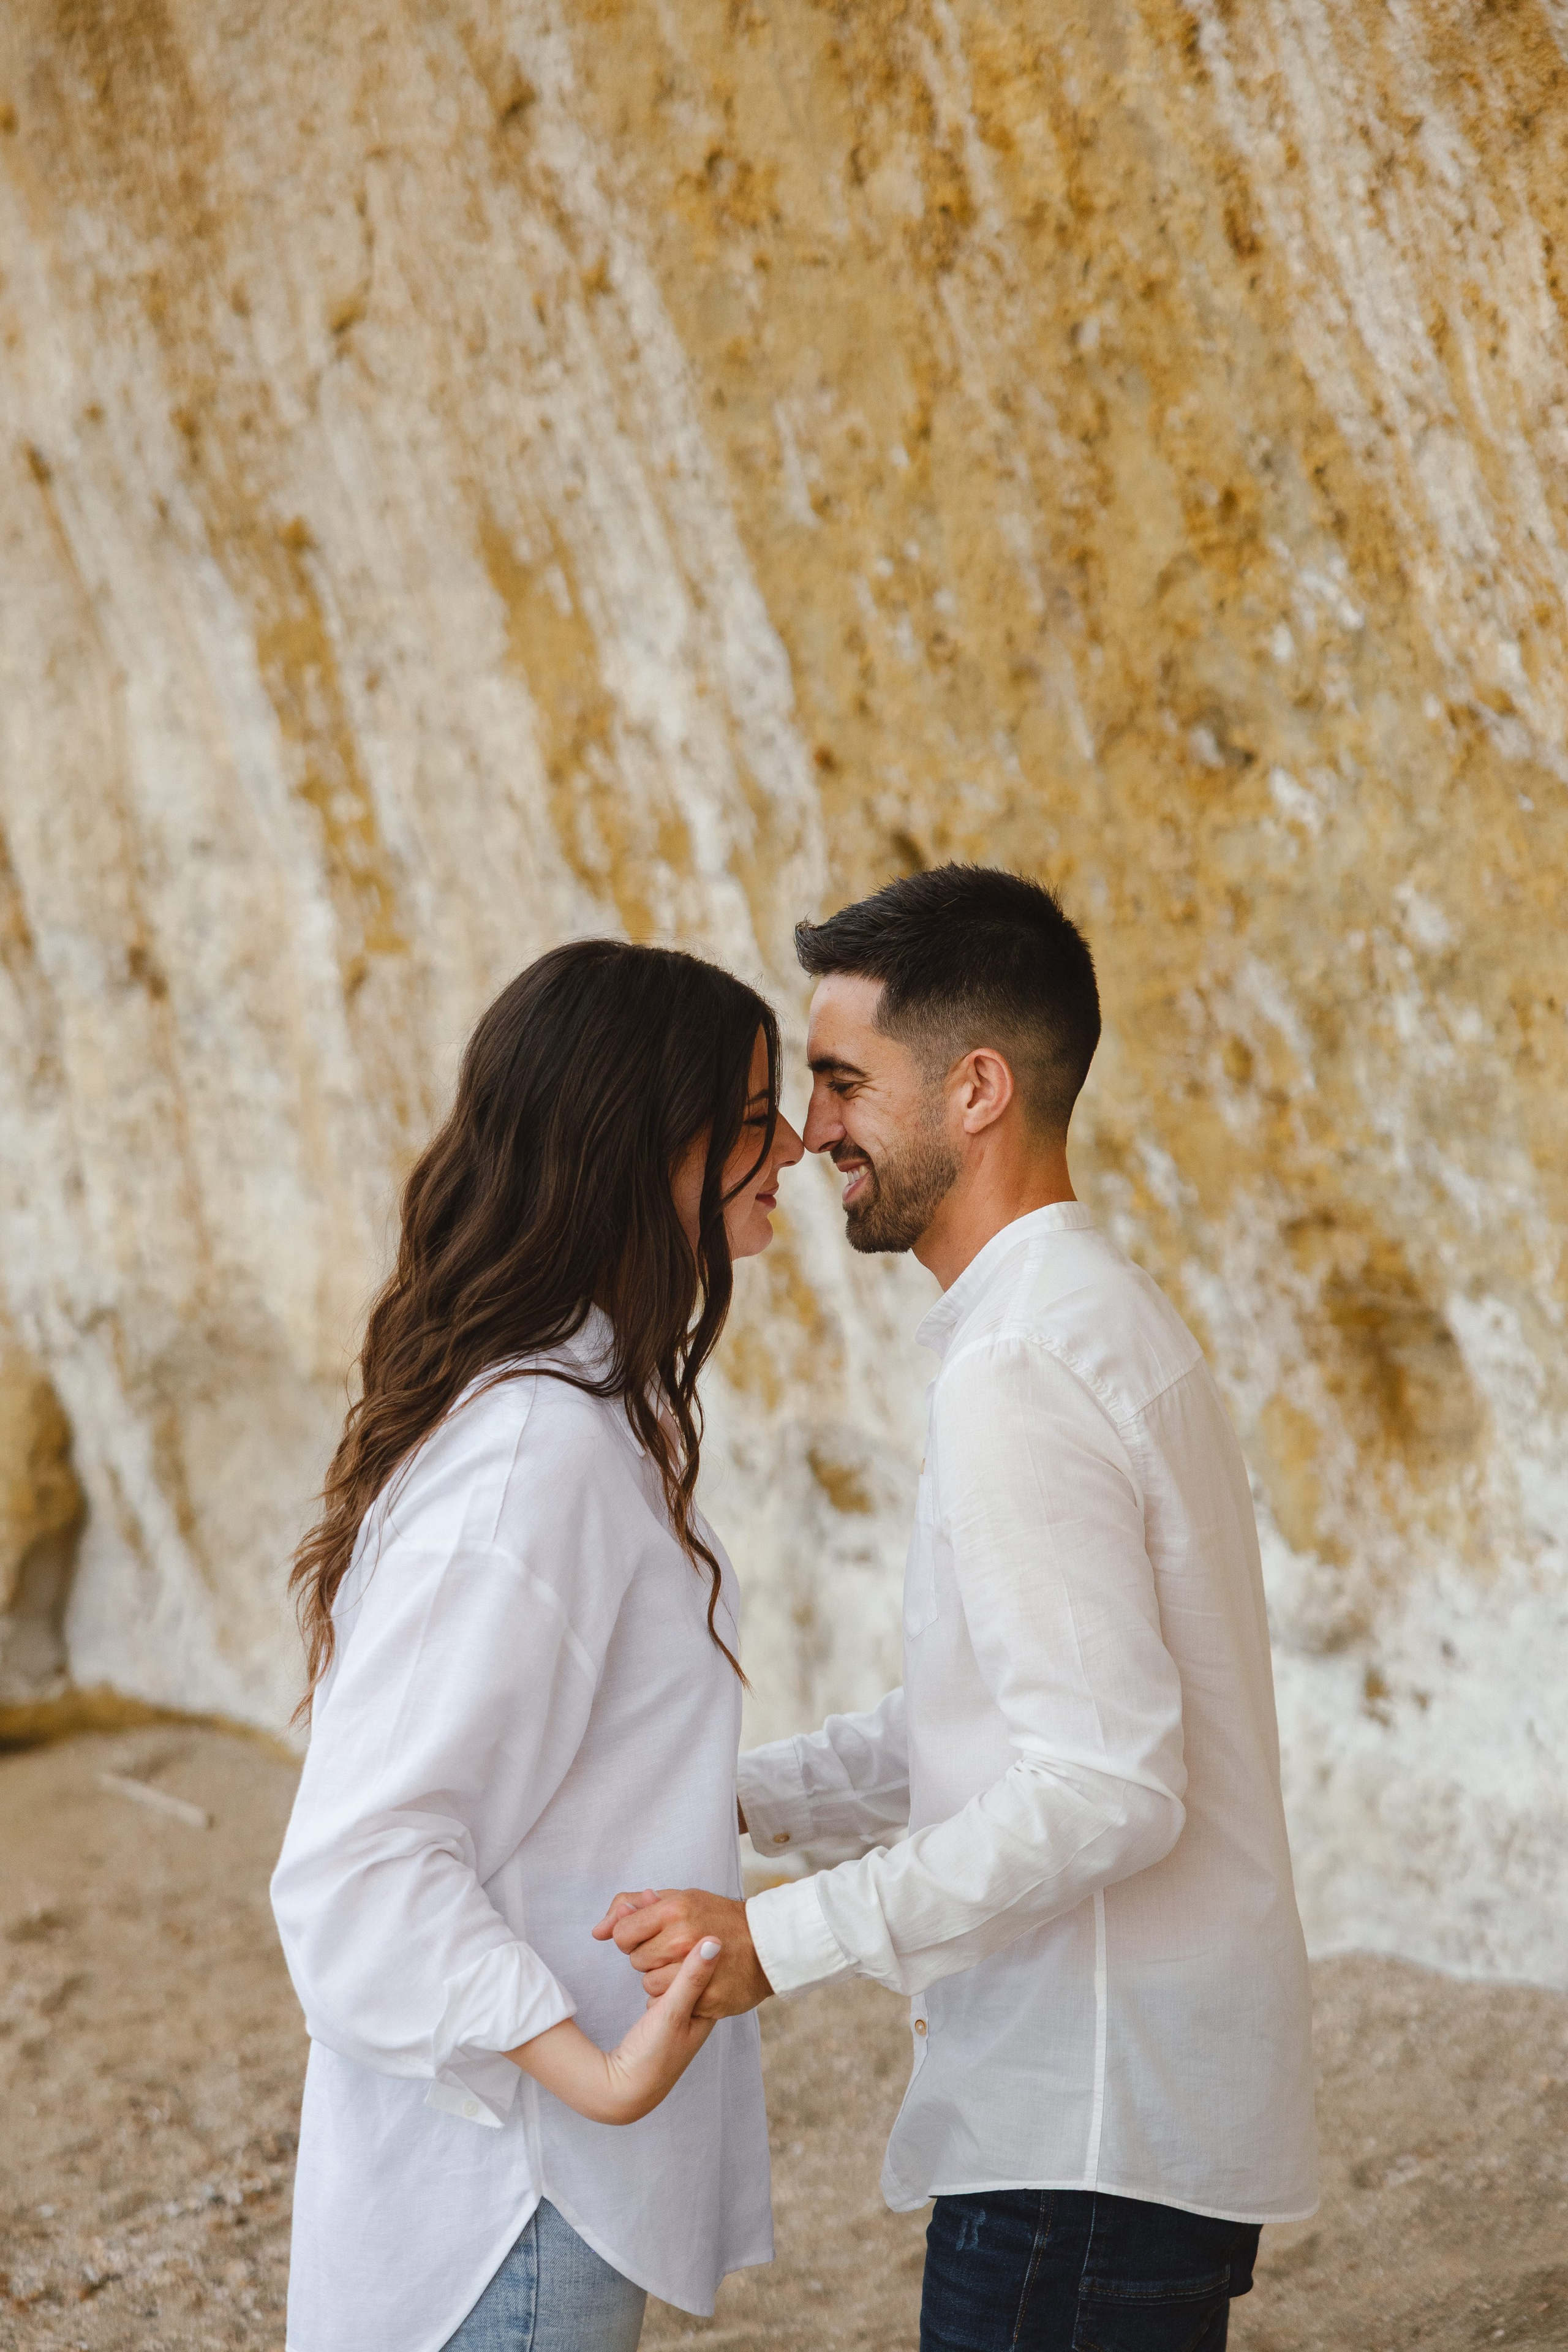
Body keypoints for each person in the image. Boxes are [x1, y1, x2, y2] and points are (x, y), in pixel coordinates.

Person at [600, 866, 1319, 2351]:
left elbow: (1107, 1786)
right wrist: (726, 1800)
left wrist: (779, 1945)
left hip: (1085, 2129)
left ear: (976, 1088)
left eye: (841, 1082)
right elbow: (986, 1721)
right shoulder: (1077, 1319)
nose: (808, 1137)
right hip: (1116, 2123)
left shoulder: (1020, 1369)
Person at [270, 940, 804, 2352]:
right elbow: (357, 1864)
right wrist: (603, 2077)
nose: (796, 1144)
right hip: (508, 2204)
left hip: (524, 2194)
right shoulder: (536, 1456)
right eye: (757, 1115)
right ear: (653, 1147)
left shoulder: (582, 1415)